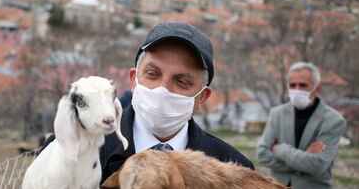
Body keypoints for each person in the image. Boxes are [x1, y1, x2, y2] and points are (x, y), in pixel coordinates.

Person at [100, 22, 254, 182]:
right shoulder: (87, 151)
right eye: (152, 74)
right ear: (133, 79)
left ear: (202, 97)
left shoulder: (234, 172)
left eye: (182, 81)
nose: (163, 89)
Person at [257, 62, 347, 189]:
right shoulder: (277, 114)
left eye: (303, 85)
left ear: (317, 88)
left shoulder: (334, 120)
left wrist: (280, 150)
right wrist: (304, 160)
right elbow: (262, 154)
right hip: (278, 186)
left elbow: (318, 165)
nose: (297, 89)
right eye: (292, 85)